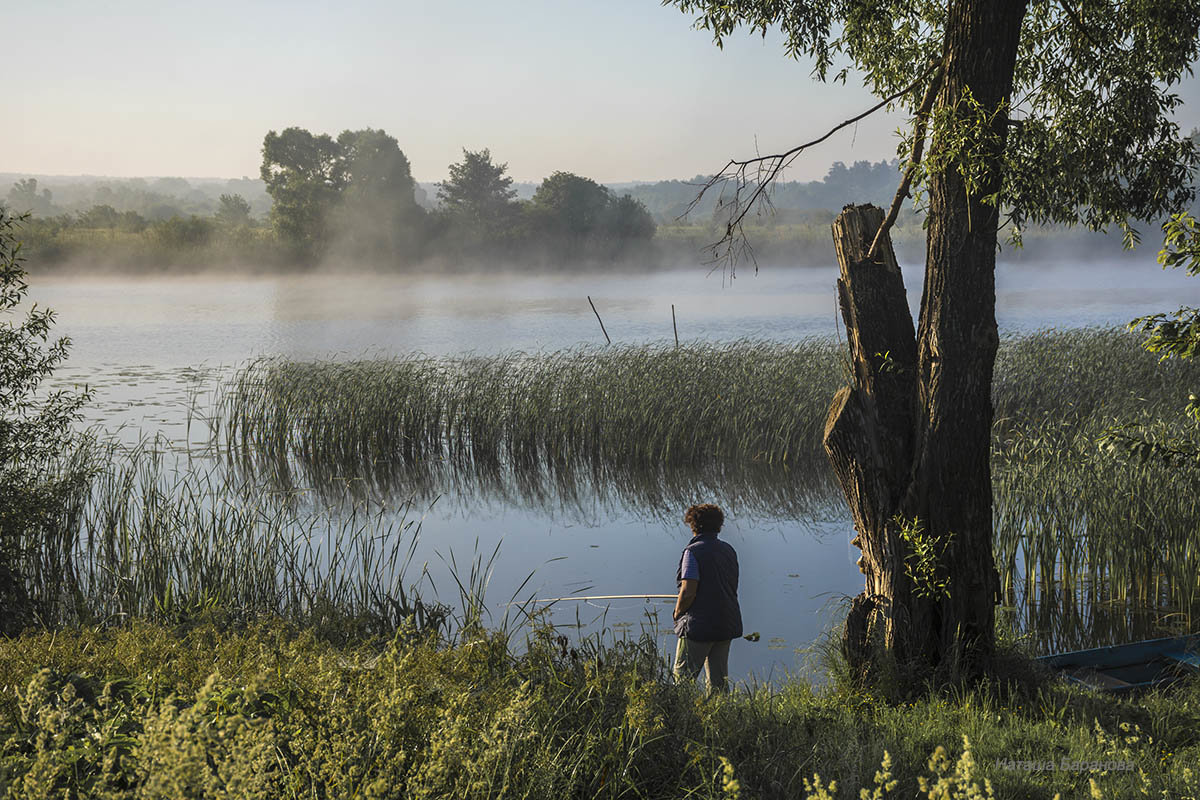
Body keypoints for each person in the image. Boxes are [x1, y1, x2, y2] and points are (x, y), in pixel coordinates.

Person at [672, 503, 741, 693]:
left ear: (693, 525)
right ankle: (720, 720)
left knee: (682, 682)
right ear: (719, 525)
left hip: (699, 627)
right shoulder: (729, 550)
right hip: (726, 623)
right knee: (718, 684)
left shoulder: (693, 552)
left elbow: (688, 592)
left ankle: (684, 721)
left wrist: (678, 613)